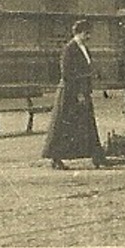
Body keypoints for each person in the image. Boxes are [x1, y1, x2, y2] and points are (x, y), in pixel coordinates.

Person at [43, 19, 105, 170]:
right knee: (64, 126)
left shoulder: (84, 48)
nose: (89, 36)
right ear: (79, 33)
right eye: (87, 33)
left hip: (82, 91)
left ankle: (97, 156)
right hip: (70, 94)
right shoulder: (69, 49)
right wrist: (78, 93)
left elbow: (87, 69)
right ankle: (55, 157)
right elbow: (67, 73)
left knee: (87, 125)